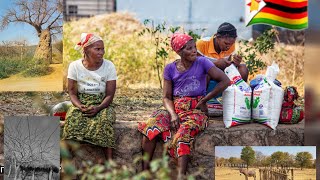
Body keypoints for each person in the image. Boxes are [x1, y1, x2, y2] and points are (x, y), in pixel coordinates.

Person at [138, 33, 230, 178]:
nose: (194, 50)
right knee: (151, 127)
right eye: (189, 48)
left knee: (183, 133)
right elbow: (166, 97)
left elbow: (225, 80)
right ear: (179, 52)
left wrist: (205, 99)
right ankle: (144, 173)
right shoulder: (170, 68)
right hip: (174, 107)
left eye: (194, 47)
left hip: (196, 109)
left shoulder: (203, 63)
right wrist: (173, 114)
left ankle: (181, 176)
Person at [62, 33, 117, 163]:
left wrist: (98, 108)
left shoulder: (109, 66)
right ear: (86, 50)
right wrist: (79, 106)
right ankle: (66, 163)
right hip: (81, 102)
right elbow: (72, 92)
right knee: (71, 121)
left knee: (104, 122)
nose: (101, 52)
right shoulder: (75, 66)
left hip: (102, 103)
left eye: (102, 49)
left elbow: (110, 95)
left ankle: (110, 164)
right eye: (97, 49)